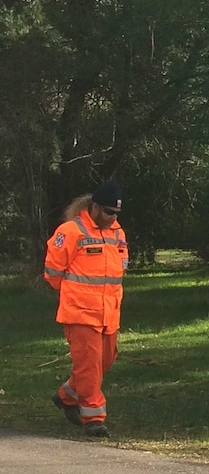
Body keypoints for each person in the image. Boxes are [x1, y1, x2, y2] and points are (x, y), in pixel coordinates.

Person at [44, 181, 128, 437]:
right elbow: (52, 273)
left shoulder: (117, 233)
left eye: (116, 213)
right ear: (94, 207)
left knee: (105, 360)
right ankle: (93, 418)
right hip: (80, 312)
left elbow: (120, 267)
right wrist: (74, 295)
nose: (112, 218)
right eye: (108, 212)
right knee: (89, 366)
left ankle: (66, 396)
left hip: (108, 312)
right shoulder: (70, 231)